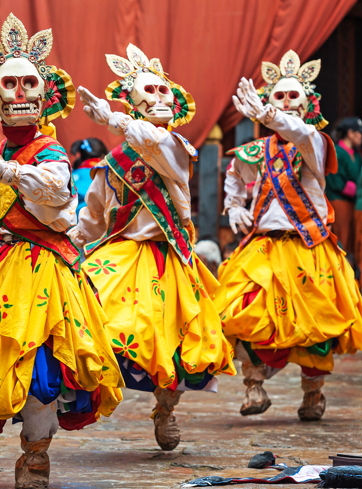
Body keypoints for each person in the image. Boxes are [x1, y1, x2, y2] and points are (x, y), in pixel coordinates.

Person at [69, 44, 236, 451]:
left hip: (169, 257)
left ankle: (165, 408)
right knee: (96, 316)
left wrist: (114, 119)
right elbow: (94, 216)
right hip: (122, 255)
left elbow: (157, 151)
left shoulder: (176, 148)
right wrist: (72, 242)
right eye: (151, 93)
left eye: (165, 93)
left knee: (174, 339)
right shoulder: (111, 165)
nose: (162, 99)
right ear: (134, 103)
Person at [0, 14, 123, 488]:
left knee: (40, 364)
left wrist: (10, 173)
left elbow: (53, 195)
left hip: (39, 271)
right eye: (9, 84)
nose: (19, 94)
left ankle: (35, 456)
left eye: (28, 83)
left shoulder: (50, 152)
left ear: (44, 93)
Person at [214, 50, 362, 422]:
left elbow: (297, 131)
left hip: (309, 248)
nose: (285, 103)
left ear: (309, 103)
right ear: (268, 101)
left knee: (315, 324)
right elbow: (235, 178)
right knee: (243, 314)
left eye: (292, 96)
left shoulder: (314, 142)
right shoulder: (254, 152)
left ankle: (313, 394)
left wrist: (268, 116)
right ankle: (253, 385)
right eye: (277, 96)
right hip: (262, 249)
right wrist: (234, 207)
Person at [326, 117, 362, 253]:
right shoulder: (337, 152)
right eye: (359, 133)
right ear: (350, 133)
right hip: (338, 202)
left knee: (353, 242)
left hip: (353, 203)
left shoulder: (358, 155)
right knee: (342, 239)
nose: (361, 137)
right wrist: (359, 189)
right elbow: (337, 182)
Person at [71, 138, 108, 215]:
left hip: (70, 223)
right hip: (96, 223)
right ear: (103, 156)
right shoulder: (105, 175)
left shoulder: (70, 174)